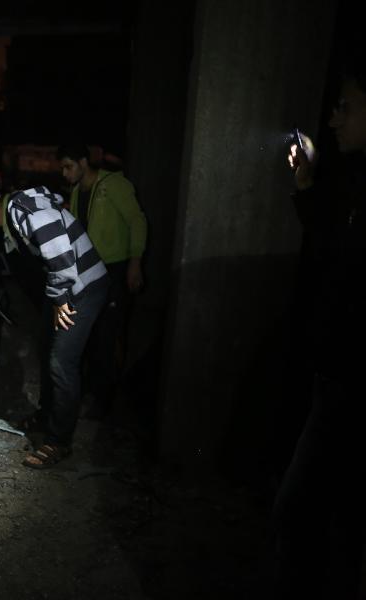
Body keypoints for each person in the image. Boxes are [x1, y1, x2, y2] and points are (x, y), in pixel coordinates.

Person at [274, 56, 366, 599]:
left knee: (304, 513)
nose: (333, 120)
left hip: (352, 384)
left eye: (346, 108)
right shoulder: (356, 181)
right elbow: (332, 240)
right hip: (335, 377)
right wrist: (306, 181)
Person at [0, 184, 108, 468]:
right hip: (65, 288)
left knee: (62, 362)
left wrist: (61, 297)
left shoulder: (26, 209)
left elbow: (60, 254)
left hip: (83, 288)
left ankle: (59, 442)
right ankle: (46, 417)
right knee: (47, 349)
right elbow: (18, 265)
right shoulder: (12, 224)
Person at [57, 141, 148, 419]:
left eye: (69, 166)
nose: (65, 173)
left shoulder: (113, 186)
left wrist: (135, 262)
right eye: (63, 167)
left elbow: (137, 220)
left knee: (108, 335)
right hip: (89, 273)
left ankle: (105, 402)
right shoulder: (75, 192)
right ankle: (94, 393)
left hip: (115, 268)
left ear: (84, 163)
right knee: (93, 334)